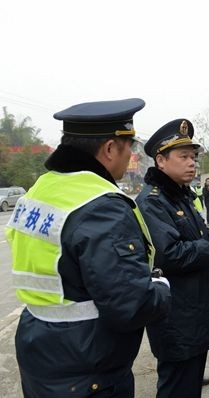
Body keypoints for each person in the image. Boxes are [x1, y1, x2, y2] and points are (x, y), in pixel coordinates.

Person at [5, 98, 172, 397]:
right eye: (129, 147)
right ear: (109, 149)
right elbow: (130, 306)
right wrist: (160, 286)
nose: (130, 155)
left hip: (38, 348)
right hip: (88, 366)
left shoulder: (40, 189)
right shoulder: (101, 206)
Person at [136, 119, 209, 398]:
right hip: (176, 316)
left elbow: (200, 232)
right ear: (160, 160)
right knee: (176, 387)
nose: (192, 163)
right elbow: (168, 254)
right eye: (183, 157)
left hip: (193, 313)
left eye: (193, 157)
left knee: (190, 385)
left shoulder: (179, 195)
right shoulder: (153, 201)